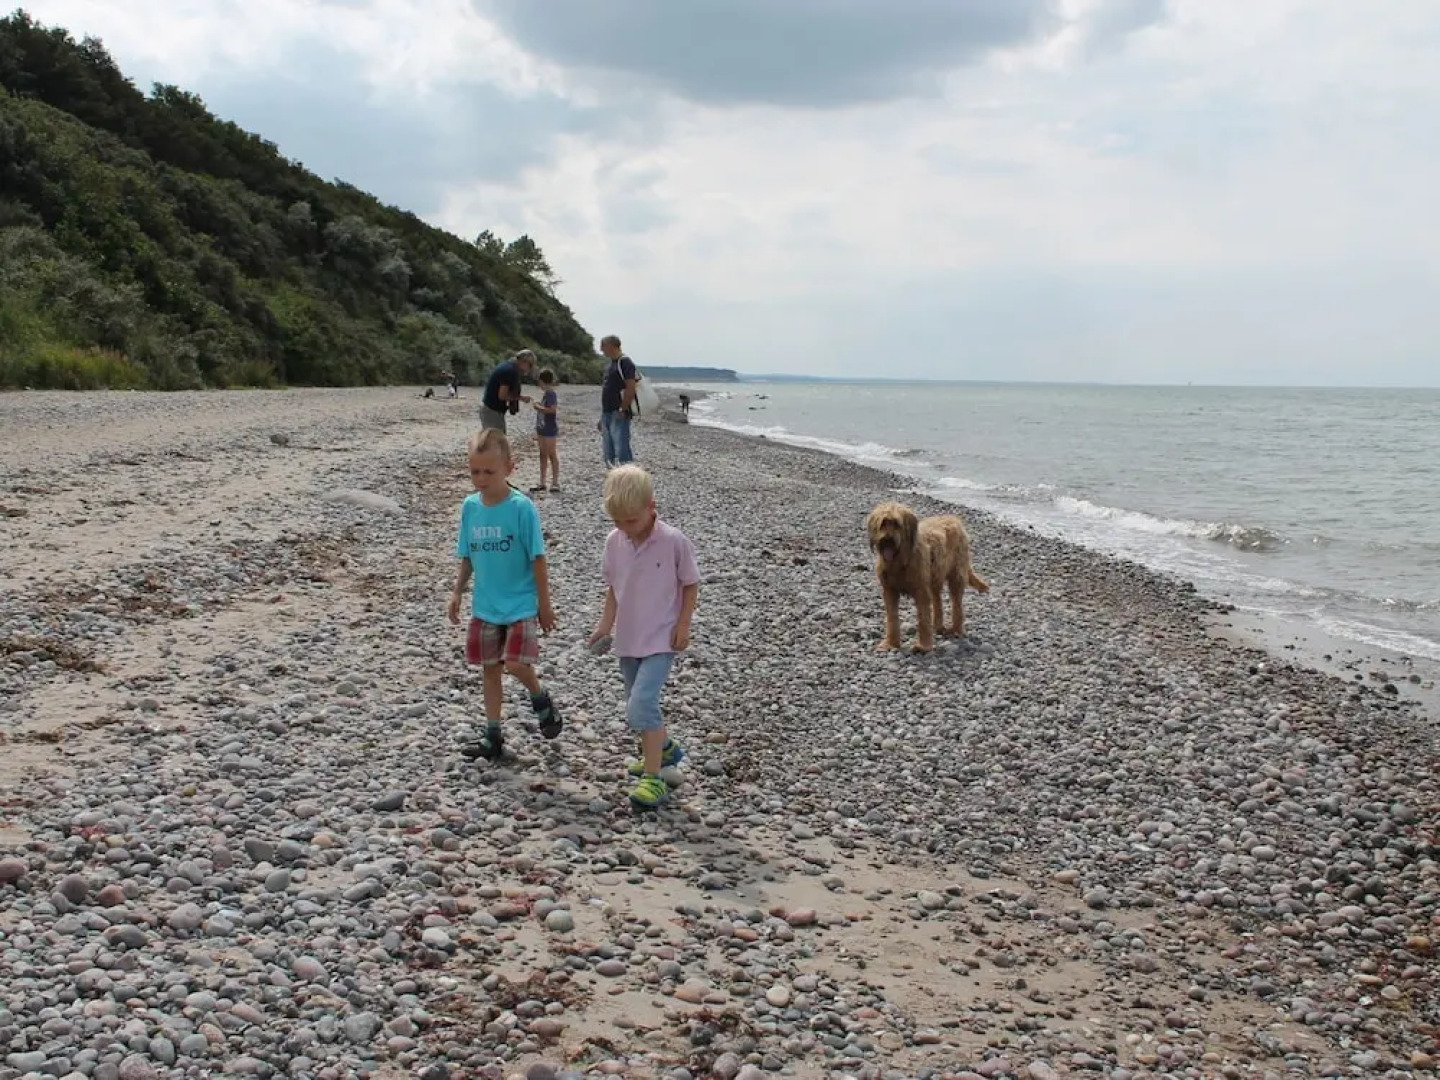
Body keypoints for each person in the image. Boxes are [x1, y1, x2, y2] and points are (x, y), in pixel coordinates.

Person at [587, 465, 700, 808]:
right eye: (617, 521)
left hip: (660, 639)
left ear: (652, 506)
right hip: (629, 638)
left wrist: (684, 625)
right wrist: (605, 625)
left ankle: (653, 780)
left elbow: (690, 583)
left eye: (631, 521)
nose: (625, 528)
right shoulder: (615, 541)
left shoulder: (673, 541)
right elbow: (613, 589)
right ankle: (664, 749)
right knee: (637, 705)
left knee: (642, 705)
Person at [447, 428, 562, 761]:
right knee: (490, 669)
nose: (481, 479)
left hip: (521, 604)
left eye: (489, 472)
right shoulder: (470, 507)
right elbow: (467, 555)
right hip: (486, 606)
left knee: (515, 663)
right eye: (475, 471)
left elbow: (537, 558)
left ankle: (540, 698)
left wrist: (544, 605)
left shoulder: (521, 508)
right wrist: (457, 592)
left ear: (509, 468)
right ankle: (492, 735)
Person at [599, 335, 637, 467]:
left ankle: (628, 480)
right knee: (608, 451)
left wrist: (623, 408)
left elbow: (631, 387)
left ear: (612, 346)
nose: (601, 349)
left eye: (603, 346)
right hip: (607, 412)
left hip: (619, 412)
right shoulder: (610, 365)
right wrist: (602, 418)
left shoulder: (625, 362)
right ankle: (614, 479)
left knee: (622, 450)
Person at [480, 350, 535, 432]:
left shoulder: (508, 366)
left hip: (491, 409)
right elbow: (502, 395)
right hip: (492, 411)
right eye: (530, 365)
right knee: (497, 441)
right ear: (524, 362)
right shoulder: (509, 371)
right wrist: (521, 398)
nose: (530, 368)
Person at [530, 368, 561, 494]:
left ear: (543, 381)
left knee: (551, 454)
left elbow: (552, 410)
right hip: (542, 428)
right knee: (542, 454)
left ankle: (555, 482)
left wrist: (538, 407)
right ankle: (542, 482)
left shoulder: (551, 394)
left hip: (549, 429)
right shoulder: (546, 394)